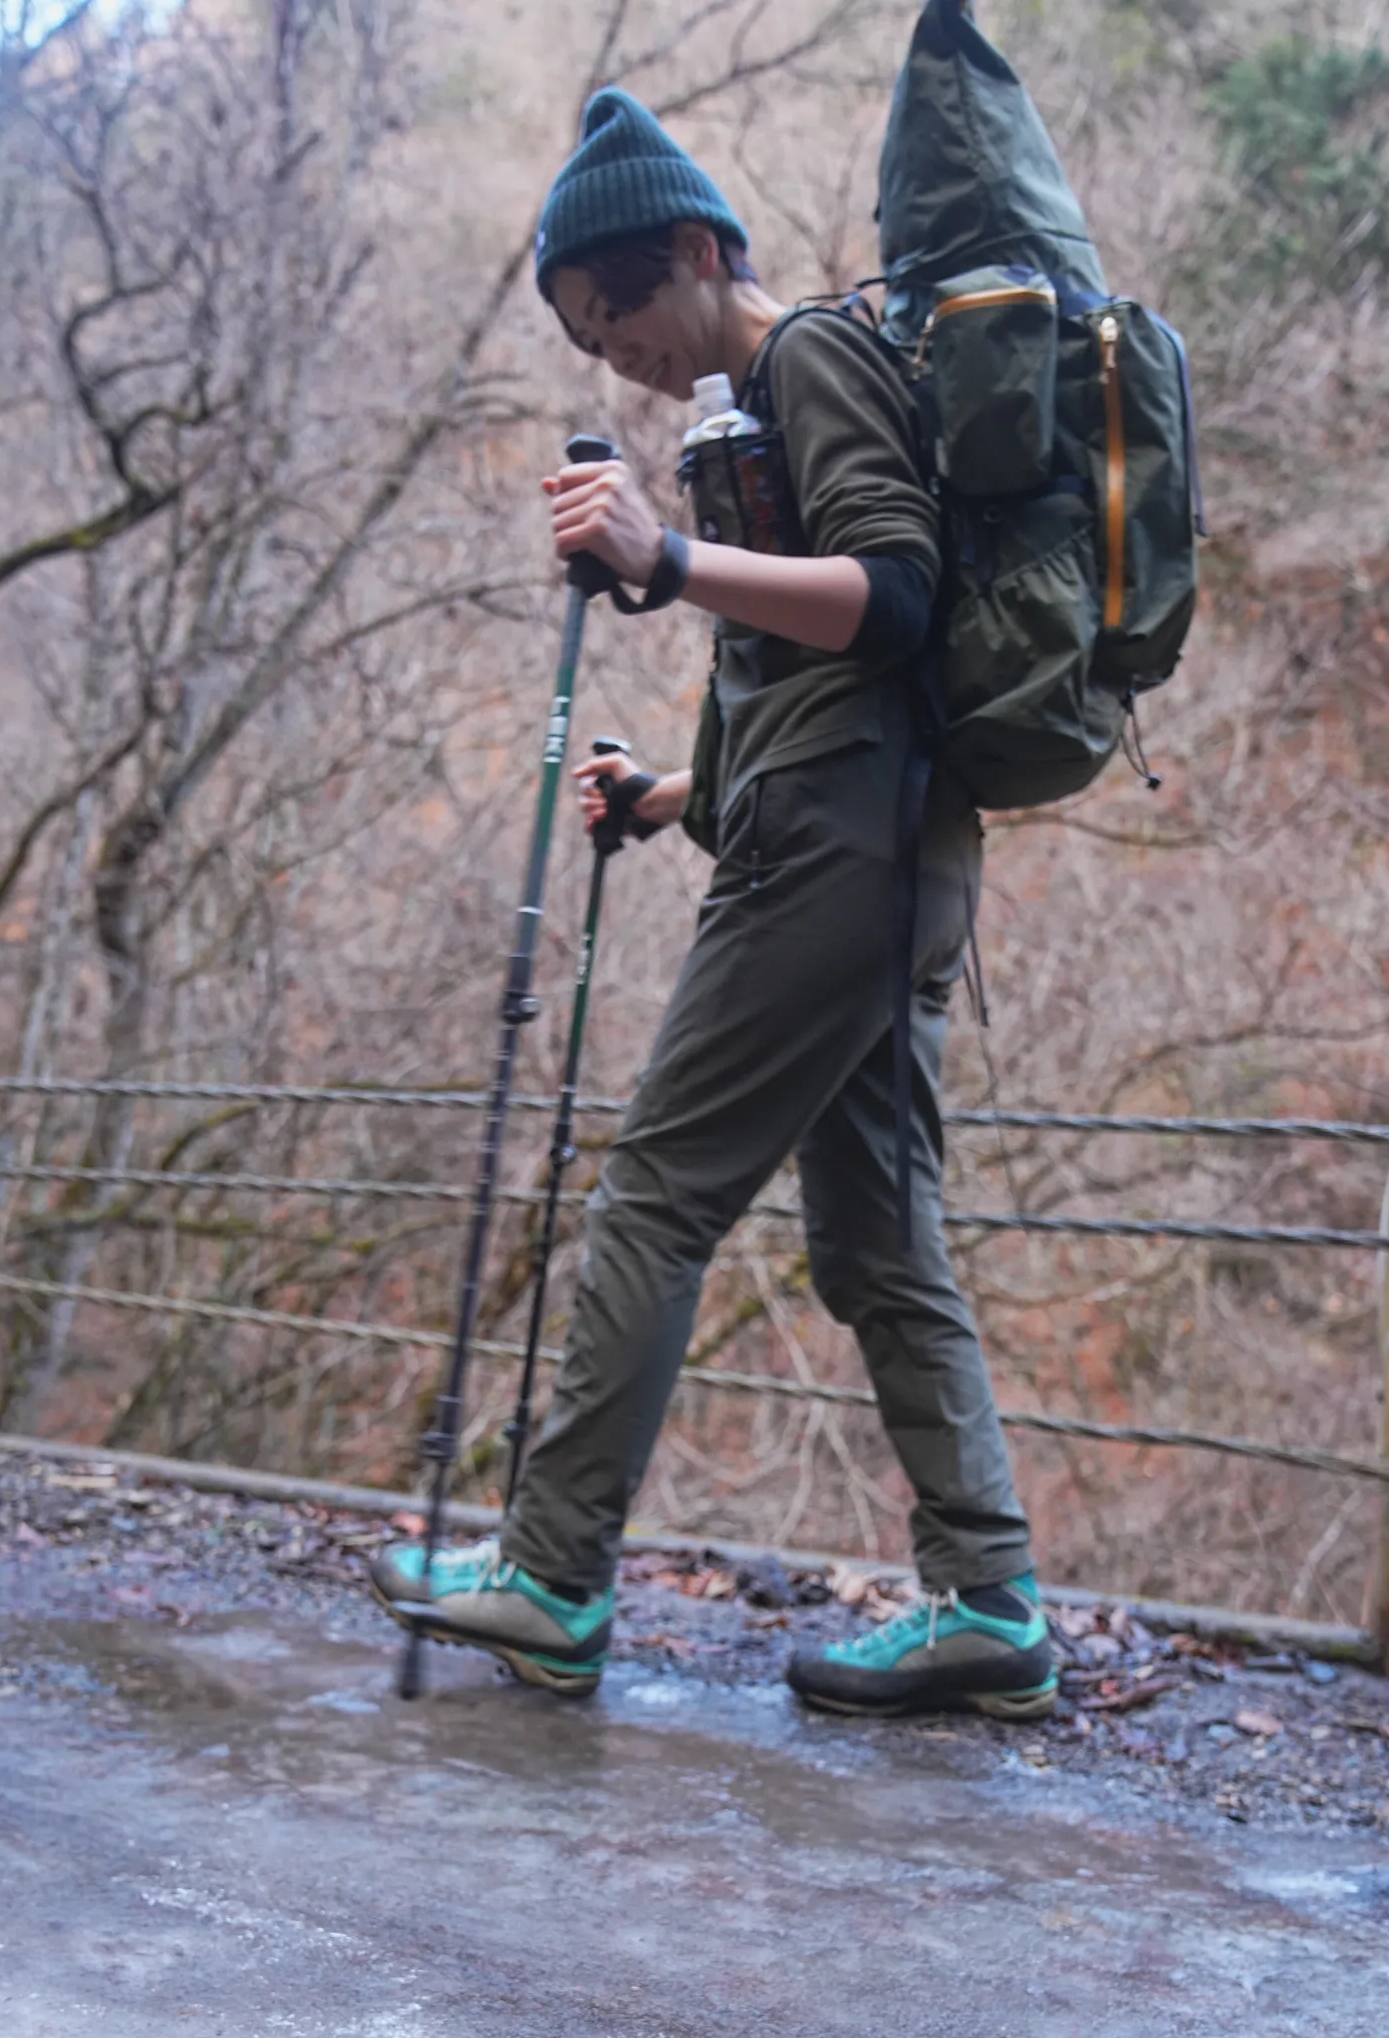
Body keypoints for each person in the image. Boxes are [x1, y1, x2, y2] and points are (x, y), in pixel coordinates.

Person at [376, 88, 1054, 1722]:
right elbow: (814, 678)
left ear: (693, 253)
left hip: (837, 863)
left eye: (620, 316)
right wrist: (673, 792)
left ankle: (550, 1577)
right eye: (592, 343)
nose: (622, 363)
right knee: (878, 1239)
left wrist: (665, 559)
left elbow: (890, 603)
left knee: (659, 1191)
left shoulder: (811, 356)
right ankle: (995, 1606)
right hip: (869, 851)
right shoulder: (747, 407)